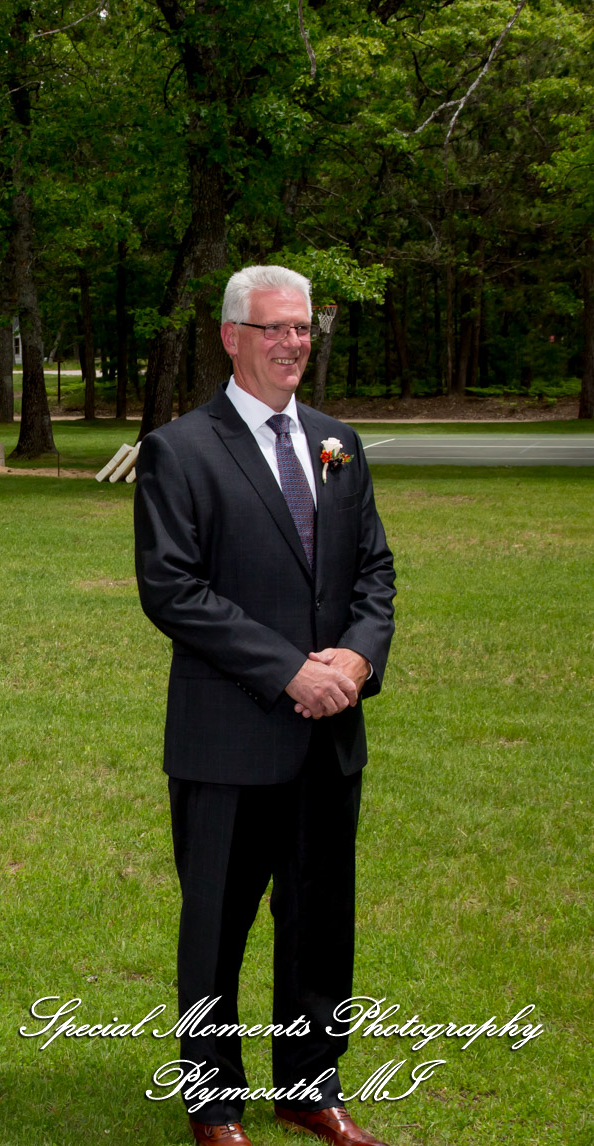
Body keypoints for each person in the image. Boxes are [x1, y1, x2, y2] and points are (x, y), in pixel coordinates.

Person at [133, 267, 396, 1146]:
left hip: (329, 735)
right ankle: (213, 1103)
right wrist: (291, 671)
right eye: (275, 328)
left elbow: (374, 572)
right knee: (217, 923)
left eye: (304, 328)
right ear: (229, 336)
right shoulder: (181, 449)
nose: (293, 343)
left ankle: (309, 1087)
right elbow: (173, 590)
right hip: (228, 735)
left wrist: (356, 658)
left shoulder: (339, 442)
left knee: (320, 919)